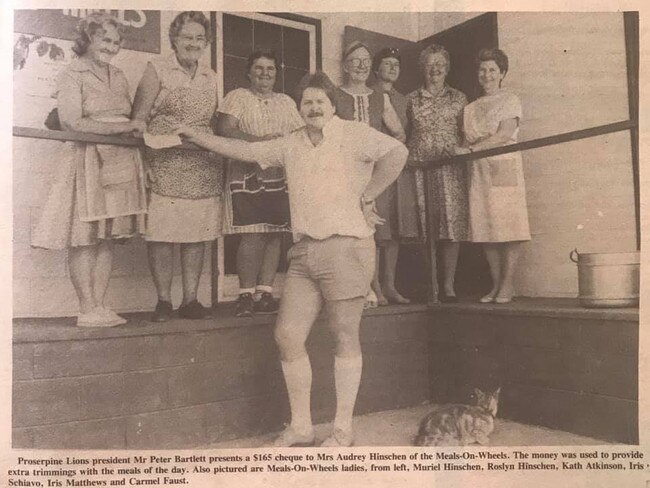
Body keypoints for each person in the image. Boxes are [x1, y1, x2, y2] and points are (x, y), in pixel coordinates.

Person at [177, 72, 408, 447]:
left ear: (332, 104)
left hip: (347, 248)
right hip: (303, 253)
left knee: (344, 336)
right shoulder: (291, 143)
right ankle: (301, 427)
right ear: (299, 109)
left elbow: (398, 153)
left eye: (320, 101)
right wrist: (198, 136)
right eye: (307, 102)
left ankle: (342, 431)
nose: (314, 107)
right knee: (287, 335)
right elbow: (247, 151)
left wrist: (369, 195)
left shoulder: (354, 133)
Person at [31, 13, 146, 328]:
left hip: (118, 159)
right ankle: (86, 309)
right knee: (84, 236)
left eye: (115, 41)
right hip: (85, 158)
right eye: (104, 39)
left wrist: (133, 128)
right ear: (88, 39)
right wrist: (120, 127)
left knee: (106, 236)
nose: (110, 46)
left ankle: (100, 306)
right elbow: (71, 121)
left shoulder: (119, 75)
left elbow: (127, 116)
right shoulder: (71, 73)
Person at [132, 11, 222, 321]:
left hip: (202, 163)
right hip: (166, 159)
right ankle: (163, 302)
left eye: (200, 38)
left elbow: (212, 120)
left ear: (206, 42)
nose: (194, 43)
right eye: (188, 37)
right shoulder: (157, 68)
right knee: (163, 233)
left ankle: (190, 300)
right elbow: (139, 118)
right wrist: (144, 161)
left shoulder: (211, 75)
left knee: (196, 233)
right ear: (174, 39)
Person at [216, 49, 304, 318]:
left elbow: (299, 132)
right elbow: (225, 130)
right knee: (252, 233)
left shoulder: (286, 102)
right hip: (247, 171)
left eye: (270, 69)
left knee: (274, 233)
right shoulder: (238, 97)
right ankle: (245, 294)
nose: (265, 73)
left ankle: (264, 292)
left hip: (278, 173)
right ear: (249, 71)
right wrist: (260, 142)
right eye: (259, 68)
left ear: (276, 74)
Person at [454, 48, 531, 303]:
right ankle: (496, 285)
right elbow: (465, 140)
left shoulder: (510, 100)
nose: (487, 75)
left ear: (502, 73)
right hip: (478, 169)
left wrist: (473, 149)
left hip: (503, 165)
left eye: (492, 70)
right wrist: (469, 149)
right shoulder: (470, 108)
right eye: (482, 70)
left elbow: (503, 135)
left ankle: (507, 285)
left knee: (509, 223)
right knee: (485, 225)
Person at [334, 41, 405, 307]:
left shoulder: (380, 97)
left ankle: (373, 289)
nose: (361, 66)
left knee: (373, 231)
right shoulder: (335, 95)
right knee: (348, 232)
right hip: (344, 174)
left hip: (373, 176)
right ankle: (358, 288)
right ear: (345, 66)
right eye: (355, 61)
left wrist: (380, 150)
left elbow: (399, 133)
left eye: (365, 61)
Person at [407, 44, 468, 302]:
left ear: (447, 67)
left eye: (440, 64)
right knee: (424, 225)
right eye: (430, 64)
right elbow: (403, 133)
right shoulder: (411, 99)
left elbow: (468, 134)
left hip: (450, 168)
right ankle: (430, 284)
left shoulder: (459, 98)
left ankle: (449, 285)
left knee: (451, 224)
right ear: (423, 68)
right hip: (420, 167)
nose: (435, 68)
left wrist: (458, 149)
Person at [369, 47, 422, 304]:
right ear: (376, 69)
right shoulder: (368, 96)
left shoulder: (404, 100)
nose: (391, 69)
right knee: (376, 229)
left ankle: (390, 285)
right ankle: (375, 287)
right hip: (374, 170)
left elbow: (410, 134)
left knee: (395, 230)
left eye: (395, 65)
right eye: (387, 64)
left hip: (398, 171)